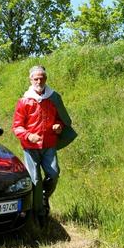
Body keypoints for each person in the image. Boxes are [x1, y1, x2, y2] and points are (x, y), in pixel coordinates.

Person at [12, 65, 77, 226]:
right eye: (36, 79)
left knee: (54, 175)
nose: (39, 81)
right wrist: (28, 135)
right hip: (30, 146)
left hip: (49, 144)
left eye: (41, 78)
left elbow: (63, 119)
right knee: (35, 179)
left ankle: (42, 198)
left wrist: (58, 126)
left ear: (46, 79)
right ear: (30, 80)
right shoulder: (24, 101)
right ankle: (39, 214)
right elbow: (17, 126)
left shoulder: (54, 98)